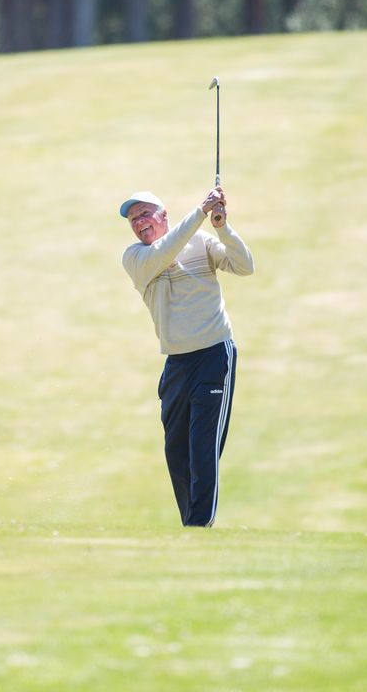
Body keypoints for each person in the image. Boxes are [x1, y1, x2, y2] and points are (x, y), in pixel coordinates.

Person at [119, 186, 255, 527]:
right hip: (176, 363)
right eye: (133, 219)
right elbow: (164, 253)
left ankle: (199, 526)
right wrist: (199, 213)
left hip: (213, 355)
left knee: (202, 446)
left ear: (164, 216)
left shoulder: (202, 241)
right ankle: (190, 525)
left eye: (145, 214)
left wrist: (221, 226)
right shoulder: (135, 258)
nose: (139, 223)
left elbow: (244, 266)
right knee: (176, 453)